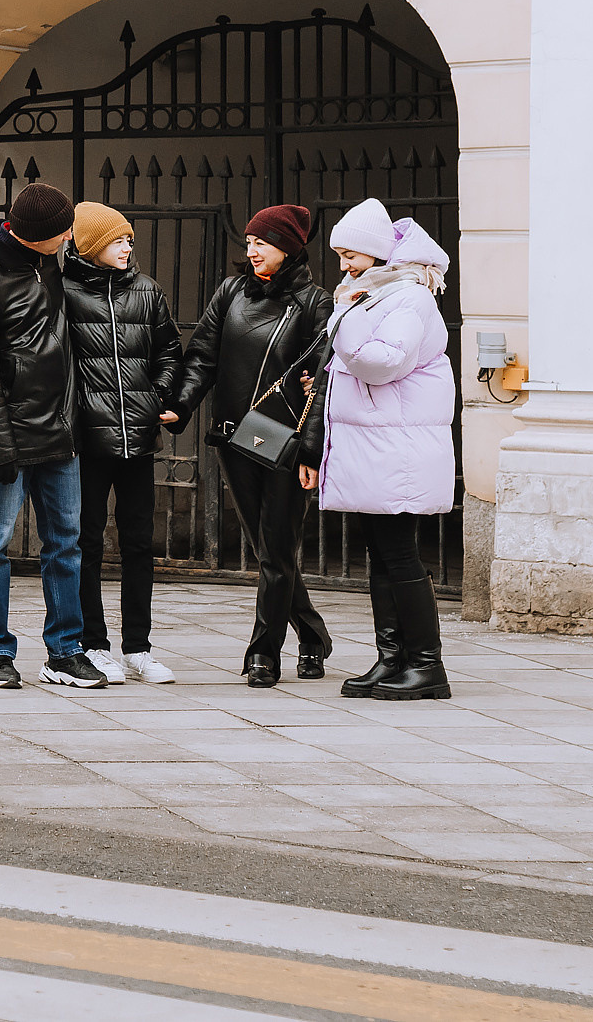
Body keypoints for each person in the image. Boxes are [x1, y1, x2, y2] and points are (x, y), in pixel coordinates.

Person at [0, 183, 107, 691]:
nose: (68, 239)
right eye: (61, 233)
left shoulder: (47, 260)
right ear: (34, 236)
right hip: (9, 438)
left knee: (65, 545)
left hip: (58, 431)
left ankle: (64, 651)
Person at [298, 198, 457, 701]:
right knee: (382, 557)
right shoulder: (375, 294)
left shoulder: (408, 298)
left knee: (401, 556)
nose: (343, 266)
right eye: (340, 255)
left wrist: (342, 316)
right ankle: (392, 658)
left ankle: (427, 666)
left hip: (398, 449)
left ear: (375, 253)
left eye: (350, 255)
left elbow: (382, 363)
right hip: (379, 445)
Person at [173, 203, 335, 687]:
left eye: (261, 243)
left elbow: (322, 382)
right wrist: (180, 406)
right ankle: (313, 635)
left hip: (283, 443)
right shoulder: (230, 293)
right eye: (249, 243)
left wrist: (311, 449)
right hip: (233, 436)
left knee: (276, 547)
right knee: (271, 550)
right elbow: (202, 354)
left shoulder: (314, 303)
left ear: (287, 247)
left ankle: (264, 651)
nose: (252, 251)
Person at [60, 201, 184, 685]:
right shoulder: (64, 293)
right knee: (85, 544)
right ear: (92, 246)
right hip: (88, 443)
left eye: (130, 240)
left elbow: (170, 350)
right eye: (118, 241)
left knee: (138, 545)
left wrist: (158, 394)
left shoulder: (148, 292)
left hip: (138, 438)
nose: (128, 248)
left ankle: (139, 648)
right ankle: (94, 644)